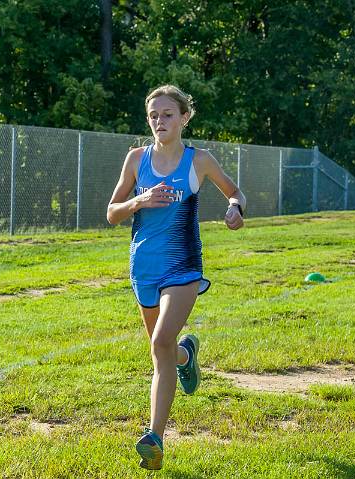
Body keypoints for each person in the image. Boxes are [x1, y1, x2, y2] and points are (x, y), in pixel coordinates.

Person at [106, 84, 247, 470]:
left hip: (183, 267)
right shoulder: (136, 159)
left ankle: (155, 438)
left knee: (159, 343)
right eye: (153, 115)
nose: (159, 121)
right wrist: (139, 199)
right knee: (166, 350)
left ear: (184, 118)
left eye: (167, 114)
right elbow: (112, 213)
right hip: (143, 269)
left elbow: (235, 192)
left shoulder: (199, 160)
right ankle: (188, 356)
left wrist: (235, 209)